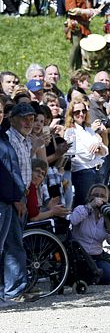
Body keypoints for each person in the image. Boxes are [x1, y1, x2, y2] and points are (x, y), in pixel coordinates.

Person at [0, 98, 36, 306]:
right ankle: (13, 290)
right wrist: (16, 197)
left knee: (16, 243)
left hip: (20, 194)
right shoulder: (9, 139)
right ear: (12, 120)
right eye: (24, 118)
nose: (28, 122)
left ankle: (16, 287)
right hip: (12, 196)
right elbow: (9, 173)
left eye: (31, 118)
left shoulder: (25, 139)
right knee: (13, 244)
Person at [70, 184, 110, 284]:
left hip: (96, 257)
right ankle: (88, 277)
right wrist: (90, 207)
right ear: (89, 197)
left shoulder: (109, 214)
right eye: (95, 195)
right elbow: (73, 220)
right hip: (79, 256)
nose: (99, 198)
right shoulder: (81, 209)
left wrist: (108, 224)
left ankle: (88, 277)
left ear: (107, 199)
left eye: (102, 196)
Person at [65, 98, 108, 208]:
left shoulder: (88, 129)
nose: (81, 114)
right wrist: (98, 148)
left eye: (83, 111)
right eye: (77, 112)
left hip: (97, 170)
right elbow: (84, 155)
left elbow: (105, 151)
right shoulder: (70, 131)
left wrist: (98, 147)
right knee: (84, 205)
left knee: (98, 206)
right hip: (82, 172)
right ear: (71, 114)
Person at [65, 0, 97, 70]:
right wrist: (84, 11)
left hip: (84, 24)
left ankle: (79, 68)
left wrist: (92, 11)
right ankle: (70, 68)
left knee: (81, 47)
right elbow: (71, 9)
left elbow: (87, 8)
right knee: (76, 45)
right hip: (76, 24)